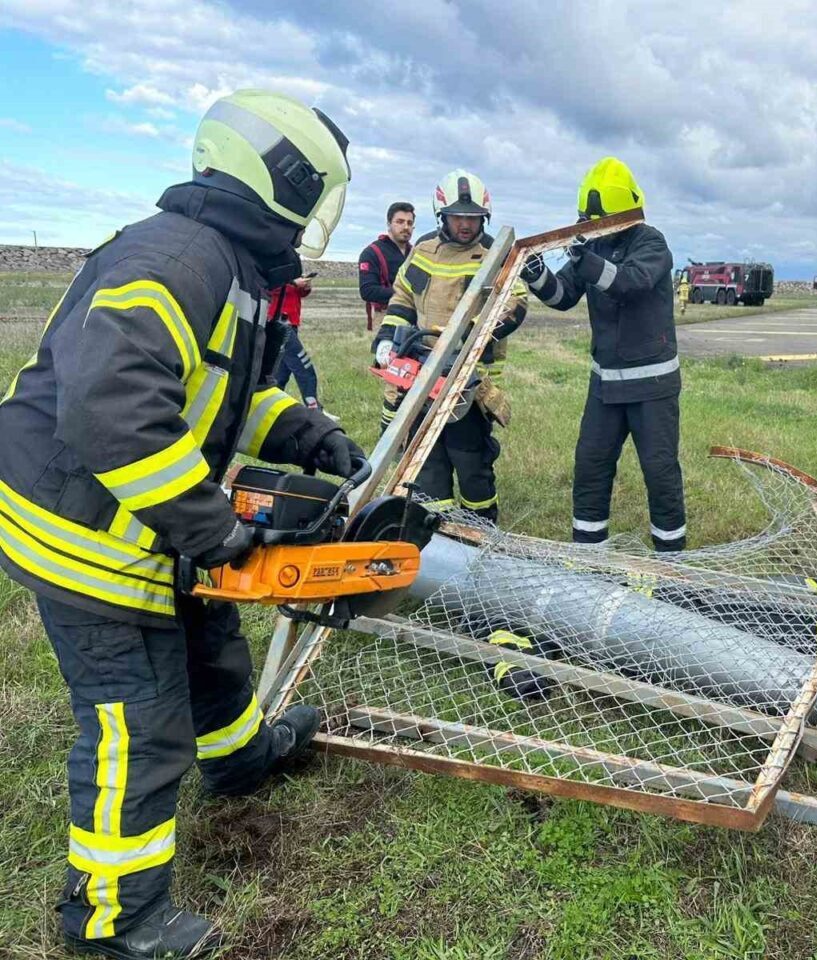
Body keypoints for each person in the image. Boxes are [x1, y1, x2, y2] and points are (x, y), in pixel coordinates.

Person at [0, 89, 365, 959]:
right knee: (138, 720)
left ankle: (239, 759)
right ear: (284, 180)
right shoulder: (180, 259)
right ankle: (112, 919)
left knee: (209, 641)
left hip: (138, 520)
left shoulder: (227, 263)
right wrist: (213, 529)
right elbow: (110, 409)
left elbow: (222, 396)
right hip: (81, 531)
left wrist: (309, 434)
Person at [521, 157, 686, 552]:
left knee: (660, 473)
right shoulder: (591, 247)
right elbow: (563, 296)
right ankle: (589, 553)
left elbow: (630, 282)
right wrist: (536, 275)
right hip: (605, 387)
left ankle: (671, 561)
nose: (592, 229)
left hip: (652, 387)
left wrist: (587, 261)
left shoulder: (651, 243)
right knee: (591, 467)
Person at [372, 169, 526, 523]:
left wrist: (468, 332)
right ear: (442, 214)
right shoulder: (424, 250)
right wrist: (386, 339)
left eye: (473, 217)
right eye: (458, 216)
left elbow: (515, 305)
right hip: (422, 377)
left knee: (471, 462)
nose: (466, 224)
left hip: (468, 383)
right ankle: (434, 532)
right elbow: (403, 299)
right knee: (427, 462)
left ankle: (480, 530)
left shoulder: (495, 254)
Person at [269, 272, 335, 419]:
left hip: (292, 321)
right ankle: (315, 410)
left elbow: (296, 293)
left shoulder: (290, 266)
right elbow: (269, 286)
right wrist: (293, 282)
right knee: (304, 366)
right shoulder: (272, 264)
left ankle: (271, 409)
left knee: (280, 373)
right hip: (279, 321)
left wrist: (304, 287)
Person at [358, 201, 415, 332]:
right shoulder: (371, 253)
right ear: (389, 224)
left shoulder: (416, 253)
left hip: (415, 316)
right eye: (400, 222)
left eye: (409, 223)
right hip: (385, 317)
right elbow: (368, 291)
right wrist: (405, 294)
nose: (406, 227)